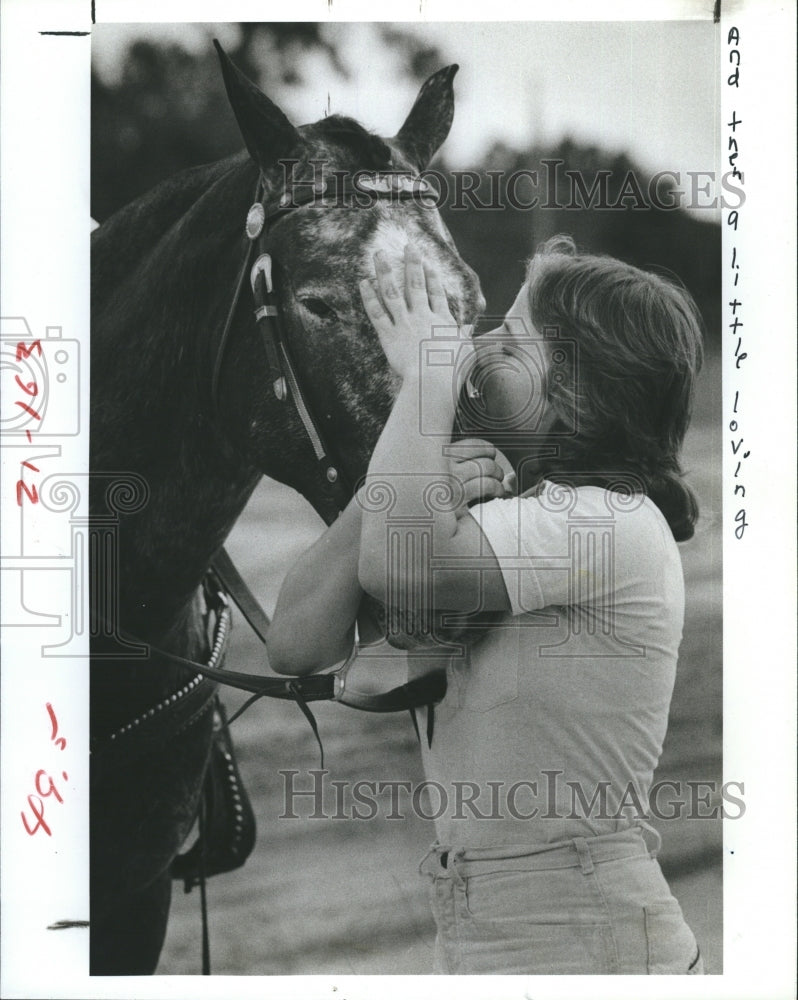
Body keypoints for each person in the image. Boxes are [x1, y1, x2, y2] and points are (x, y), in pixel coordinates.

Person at [266, 235, 705, 975]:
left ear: (576, 394)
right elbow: (296, 640)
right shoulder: (503, 515)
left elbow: (400, 566)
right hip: (493, 941)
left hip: (587, 943)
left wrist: (428, 380)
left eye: (510, 337)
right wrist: (395, 485)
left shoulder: (611, 522)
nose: (476, 347)